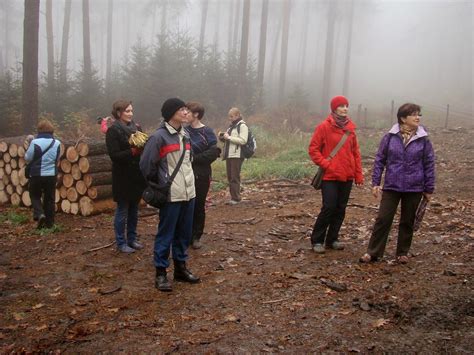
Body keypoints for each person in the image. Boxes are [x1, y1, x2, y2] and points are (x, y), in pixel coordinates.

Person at [360, 103, 435, 264]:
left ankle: (402, 253)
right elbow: (380, 160)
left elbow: (429, 163)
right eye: (413, 114)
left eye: (419, 114)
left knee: (407, 221)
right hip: (392, 185)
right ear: (403, 118)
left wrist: (429, 188)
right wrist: (375, 182)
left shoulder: (423, 139)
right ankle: (373, 252)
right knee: (383, 219)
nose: (418, 117)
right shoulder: (390, 137)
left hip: (414, 187)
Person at [140, 98, 199, 291]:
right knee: (166, 234)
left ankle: (181, 269)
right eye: (181, 109)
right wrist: (161, 185)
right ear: (171, 113)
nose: (185, 112)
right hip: (171, 195)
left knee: (184, 233)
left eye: (186, 109)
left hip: (189, 193)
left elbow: (188, 163)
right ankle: (161, 274)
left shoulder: (186, 135)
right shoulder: (158, 137)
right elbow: (146, 166)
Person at [308, 95, 364, 254]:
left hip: (347, 175)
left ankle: (332, 239)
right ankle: (317, 240)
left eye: (346, 105)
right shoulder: (324, 127)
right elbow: (313, 149)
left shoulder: (350, 130)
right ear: (334, 108)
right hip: (330, 176)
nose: (345, 108)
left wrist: (358, 174)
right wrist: (327, 164)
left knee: (340, 208)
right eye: (341, 106)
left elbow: (356, 153)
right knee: (329, 207)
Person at [105, 100, 147, 254]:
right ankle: (121, 242)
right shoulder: (113, 131)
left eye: (131, 110)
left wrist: (143, 149)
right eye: (127, 111)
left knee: (134, 209)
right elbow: (114, 155)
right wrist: (133, 152)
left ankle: (132, 239)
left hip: (136, 174)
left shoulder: (137, 127)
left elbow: (144, 145)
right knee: (123, 209)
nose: (130, 113)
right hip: (122, 176)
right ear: (118, 113)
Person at [185, 101, 221, 249]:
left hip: (202, 174)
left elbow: (214, 152)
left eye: (188, 111)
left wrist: (194, 158)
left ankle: (196, 236)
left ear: (196, 114)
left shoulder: (207, 132)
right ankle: (185, 235)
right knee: (186, 205)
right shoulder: (183, 131)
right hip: (185, 174)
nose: (185, 114)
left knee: (198, 205)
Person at [25, 119, 61, 229]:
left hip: (36, 175)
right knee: (49, 199)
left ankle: (39, 214)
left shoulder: (35, 142)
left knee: (35, 195)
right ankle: (50, 224)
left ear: (39, 130)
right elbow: (57, 158)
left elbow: (27, 158)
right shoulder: (57, 143)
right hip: (51, 175)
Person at [219, 107, 248, 205]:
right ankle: (233, 197)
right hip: (229, 154)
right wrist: (223, 137)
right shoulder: (231, 126)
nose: (230, 118)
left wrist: (229, 137)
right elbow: (229, 140)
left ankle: (236, 198)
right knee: (230, 176)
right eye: (229, 116)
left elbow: (243, 140)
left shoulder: (242, 126)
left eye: (231, 116)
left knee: (234, 177)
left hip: (237, 154)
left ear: (237, 115)